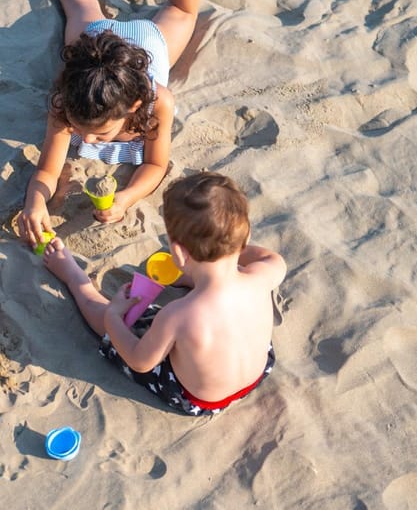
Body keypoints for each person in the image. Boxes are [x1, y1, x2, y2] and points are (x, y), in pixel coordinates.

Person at [19, 0, 248, 247]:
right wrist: (34, 201)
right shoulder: (68, 102)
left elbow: (155, 166)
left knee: (183, 8)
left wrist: (127, 198)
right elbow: (47, 170)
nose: (87, 139)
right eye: (84, 131)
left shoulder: (160, 102)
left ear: (135, 108)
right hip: (95, 43)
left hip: (148, 44)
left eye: (99, 134)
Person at [42, 171, 286, 415]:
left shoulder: (177, 316)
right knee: (227, 283)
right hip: (258, 372)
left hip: (199, 399)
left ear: (179, 254)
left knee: (124, 321)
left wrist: (113, 317)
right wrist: (224, 248)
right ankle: (203, 272)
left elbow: (139, 361)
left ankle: (73, 277)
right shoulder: (262, 276)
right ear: (246, 239)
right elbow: (272, 258)